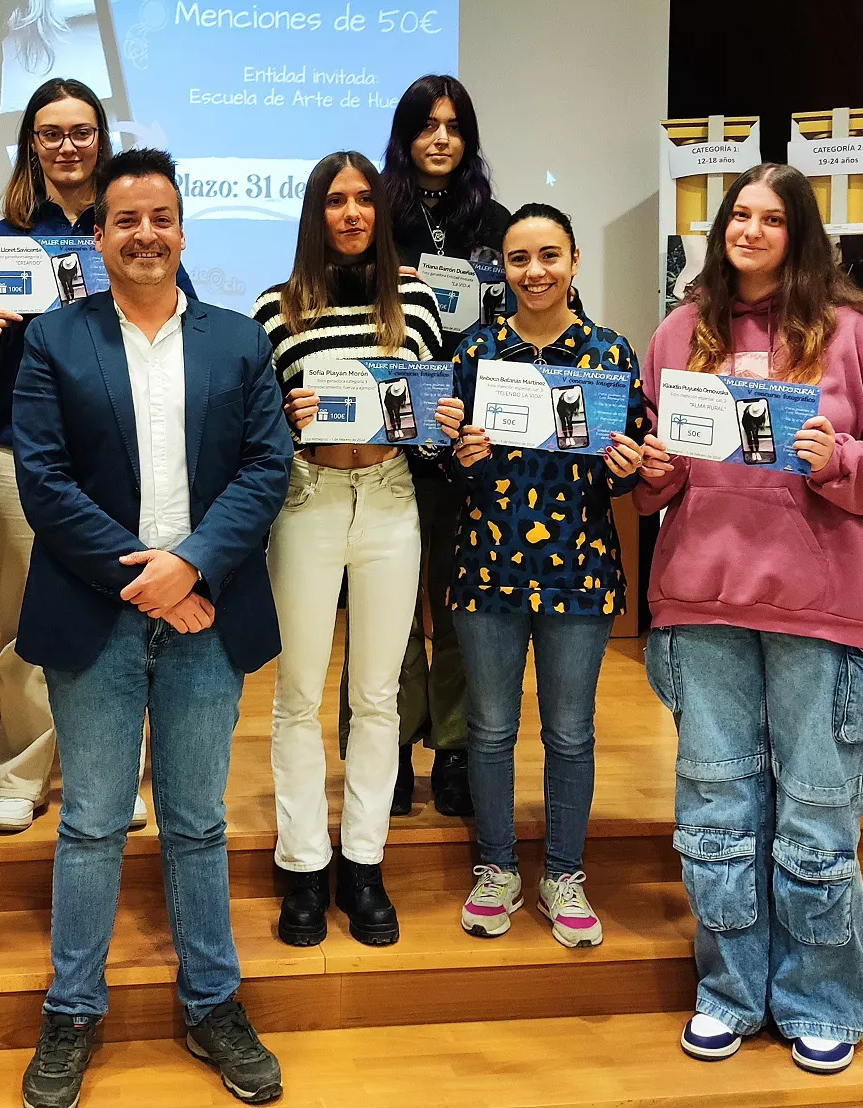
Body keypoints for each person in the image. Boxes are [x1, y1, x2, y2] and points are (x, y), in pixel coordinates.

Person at [634, 164, 863, 1074]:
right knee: (717, 813)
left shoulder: (862, 338)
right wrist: (648, 462)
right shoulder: (680, 333)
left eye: (771, 217)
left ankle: (820, 1000)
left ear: (801, 234)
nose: (751, 230)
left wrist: (839, 457)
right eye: (739, 214)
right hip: (703, 605)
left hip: (829, 615)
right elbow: (664, 477)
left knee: (815, 818)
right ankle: (730, 991)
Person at [12, 148, 290, 1108]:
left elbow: (265, 469)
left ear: (183, 229)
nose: (144, 234)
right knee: (90, 823)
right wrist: (154, 579)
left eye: (160, 217)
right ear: (99, 236)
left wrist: (192, 564)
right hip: (98, 613)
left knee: (199, 822)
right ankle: (73, 1010)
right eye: (125, 219)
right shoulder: (54, 338)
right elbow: (41, 482)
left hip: (208, 613)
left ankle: (212, 1002)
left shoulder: (237, 342)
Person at [0, 78, 196, 833]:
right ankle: (21, 774)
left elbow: (174, 319)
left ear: (101, 139)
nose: (67, 146)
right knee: (26, 625)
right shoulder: (3, 237)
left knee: (131, 616)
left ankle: (121, 772)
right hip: (20, 452)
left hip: (127, 454)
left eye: (81, 131)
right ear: (32, 145)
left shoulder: (135, 226)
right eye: (50, 133)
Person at [436, 204, 647, 951]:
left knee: (570, 732)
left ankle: (564, 873)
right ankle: (496, 869)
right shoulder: (473, 353)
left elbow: (634, 468)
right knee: (490, 732)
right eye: (519, 258)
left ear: (575, 261)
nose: (534, 272)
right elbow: (443, 459)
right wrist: (457, 459)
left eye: (549, 255)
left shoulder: (611, 354)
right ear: (502, 268)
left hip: (580, 570)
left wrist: (627, 473)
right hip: (488, 567)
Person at [251, 151, 446, 948]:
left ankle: (363, 861)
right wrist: (288, 417)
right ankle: (301, 863)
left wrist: (444, 424)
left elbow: (432, 429)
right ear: (314, 213)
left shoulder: (421, 304)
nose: (353, 212)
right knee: (296, 694)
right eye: (336, 201)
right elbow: (254, 431)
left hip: (393, 500)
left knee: (377, 696)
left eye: (365, 199)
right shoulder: (276, 308)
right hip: (308, 500)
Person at [376, 74, 513, 818]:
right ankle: (388, 746)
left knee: (462, 604)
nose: (441, 138)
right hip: (392, 433)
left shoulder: (493, 221)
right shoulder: (373, 216)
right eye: (427, 125)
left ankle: (457, 748)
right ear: (405, 134)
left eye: (454, 126)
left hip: (472, 439)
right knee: (390, 604)